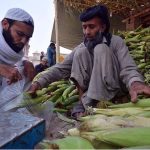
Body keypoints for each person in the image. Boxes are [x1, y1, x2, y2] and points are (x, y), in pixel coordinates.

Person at [28, 5, 150, 119]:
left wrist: (135, 82)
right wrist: (38, 83)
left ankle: (103, 103)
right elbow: (60, 68)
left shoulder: (116, 42)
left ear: (102, 27)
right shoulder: (82, 47)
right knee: (80, 52)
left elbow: (128, 67)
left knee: (101, 48)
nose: (87, 32)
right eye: (84, 27)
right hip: (88, 94)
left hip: (114, 90)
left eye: (91, 27)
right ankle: (85, 102)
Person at [0, 8, 35, 86]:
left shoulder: (13, 52)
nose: (24, 41)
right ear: (5, 24)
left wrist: (26, 62)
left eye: (28, 37)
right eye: (20, 34)